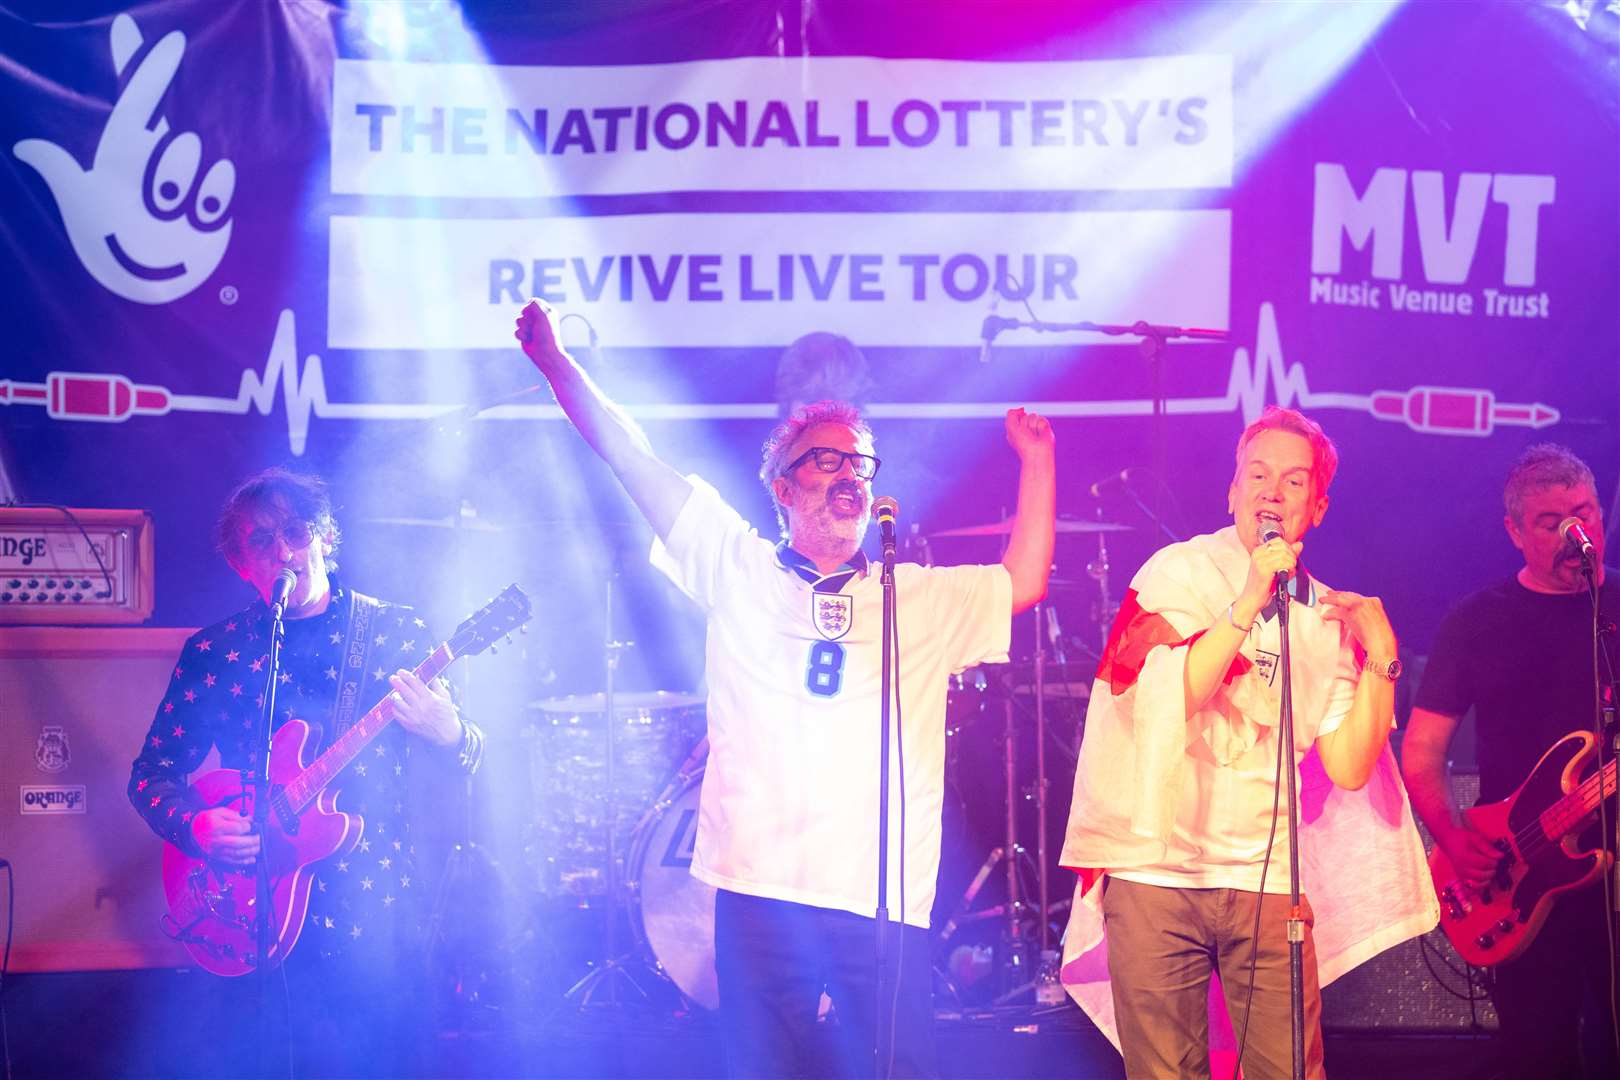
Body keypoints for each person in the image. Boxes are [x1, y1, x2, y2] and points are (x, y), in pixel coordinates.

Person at [514, 299, 1055, 1078]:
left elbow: (1024, 578)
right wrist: (560, 367)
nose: (843, 476)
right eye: (822, 460)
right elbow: (631, 459)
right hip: (760, 890)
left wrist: (1037, 462)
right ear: (780, 488)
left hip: (880, 903)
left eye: (857, 464)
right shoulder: (737, 567)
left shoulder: (919, 596)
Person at [1060, 406, 1435, 1079]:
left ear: (1316, 507)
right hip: (1157, 875)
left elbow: (1349, 767)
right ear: (1232, 492)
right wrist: (1246, 600)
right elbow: (1169, 694)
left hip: (1267, 885)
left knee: (1288, 1071)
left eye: (1293, 482)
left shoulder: (1324, 617)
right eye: (1256, 475)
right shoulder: (1175, 574)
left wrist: (1382, 657)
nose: (1270, 491)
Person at [127, 467, 486, 1078]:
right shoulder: (218, 652)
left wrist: (448, 731)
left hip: (373, 918)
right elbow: (151, 776)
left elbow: (472, 753)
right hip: (248, 911)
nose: (282, 551)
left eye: (295, 531)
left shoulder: (393, 631)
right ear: (242, 565)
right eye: (260, 541)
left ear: (324, 537)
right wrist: (197, 825)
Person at [1403, 443, 1619, 1080]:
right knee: (1538, 1052)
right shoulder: (1478, 621)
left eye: (1585, 514)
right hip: (1519, 876)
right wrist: (1453, 837)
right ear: (1515, 532)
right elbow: (1420, 750)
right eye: (1553, 524)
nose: (1575, 534)